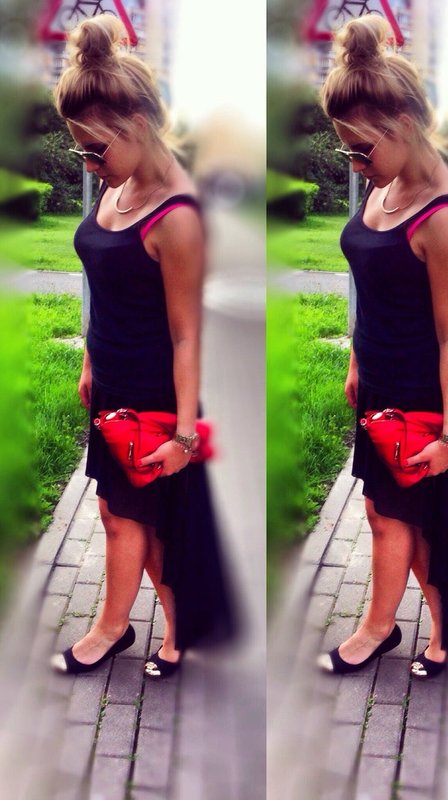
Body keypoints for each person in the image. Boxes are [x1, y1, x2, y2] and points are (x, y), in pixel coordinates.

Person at [315, 16, 448, 679]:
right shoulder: (385, 182)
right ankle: (430, 624)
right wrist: (356, 361)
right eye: (347, 151)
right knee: (383, 510)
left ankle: (388, 627)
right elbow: (375, 286)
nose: (355, 164)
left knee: (407, 517)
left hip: (422, 390)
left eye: (361, 150)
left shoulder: (443, 215)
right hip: (378, 381)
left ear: (402, 126)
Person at [49, 15, 235, 678]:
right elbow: (108, 288)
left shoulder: (176, 215)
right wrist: (90, 361)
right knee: (118, 511)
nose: (89, 165)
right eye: (81, 152)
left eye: (95, 150)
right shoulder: (119, 184)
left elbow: (188, 332)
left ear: (136, 126)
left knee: (139, 518)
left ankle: (117, 628)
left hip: (155, 391)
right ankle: (169, 625)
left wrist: (184, 434)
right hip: (112, 381)